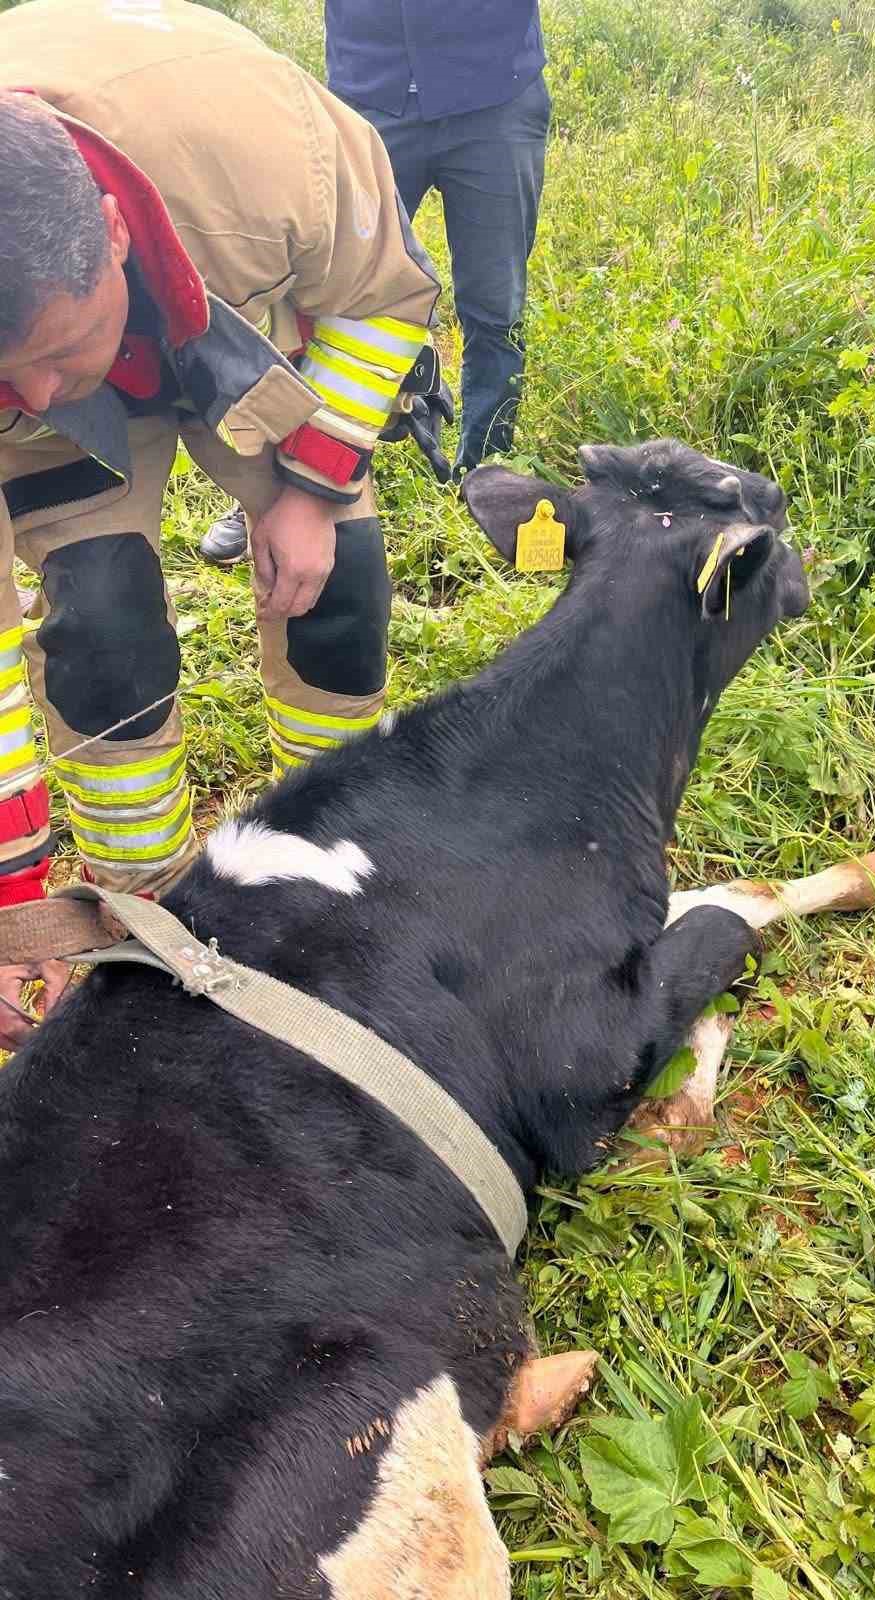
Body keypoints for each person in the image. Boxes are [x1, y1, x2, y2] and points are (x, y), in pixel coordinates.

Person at [0, 0, 451, 1045]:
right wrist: (16, 914)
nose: (44, 388)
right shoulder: (26, 390)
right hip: (130, 311)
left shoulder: (272, 161)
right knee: (99, 621)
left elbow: (383, 300)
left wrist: (313, 488)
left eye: (62, 352)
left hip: (221, 305)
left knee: (338, 589)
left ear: (112, 233)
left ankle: (331, 846)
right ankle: (141, 900)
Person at [200, 0, 549, 566]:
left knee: (494, 303)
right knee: (320, 296)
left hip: (493, 92)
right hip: (370, 92)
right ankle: (274, 486)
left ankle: (485, 476)